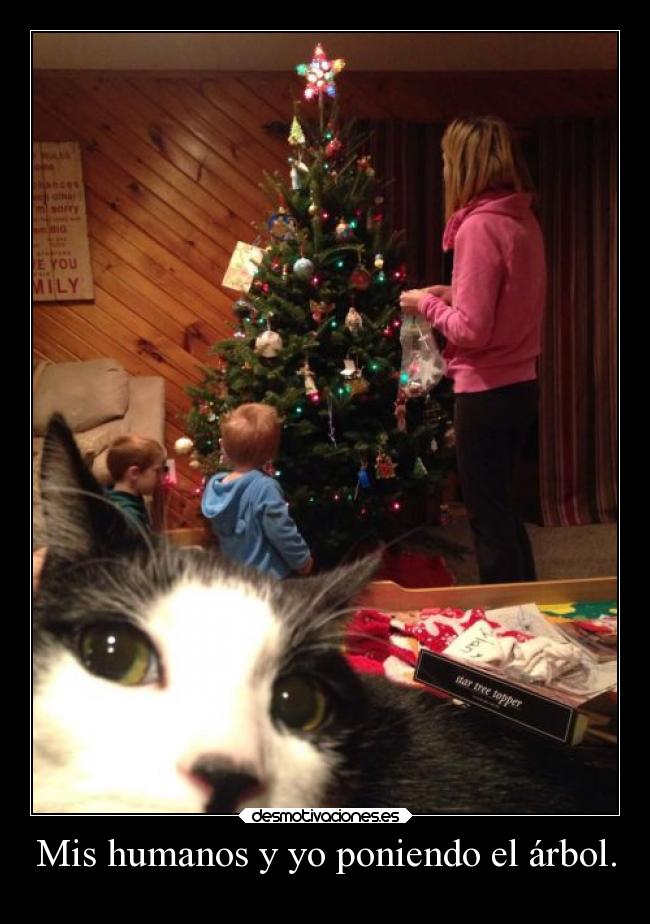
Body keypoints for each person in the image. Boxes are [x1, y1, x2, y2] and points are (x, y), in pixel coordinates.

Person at [400, 115, 546, 585]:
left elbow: (472, 330)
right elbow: (503, 307)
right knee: (503, 510)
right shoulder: (520, 219)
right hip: (520, 385)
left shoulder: (478, 228)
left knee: (487, 518)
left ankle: (507, 625)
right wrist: (450, 292)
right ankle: (527, 612)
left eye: (447, 160)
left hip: (486, 393)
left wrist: (425, 303)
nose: (443, 171)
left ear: (465, 165)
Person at [202, 403, 313, 579]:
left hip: (233, 580)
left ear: (224, 447)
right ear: (270, 453)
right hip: (267, 581)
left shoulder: (216, 486)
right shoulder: (264, 488)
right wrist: (302, 560)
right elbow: (281, 530)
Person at [105, 434, 166, 533]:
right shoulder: (128, 516)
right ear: (134, 473)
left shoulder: (129, 499)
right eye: (157, 471)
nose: (161, 478)